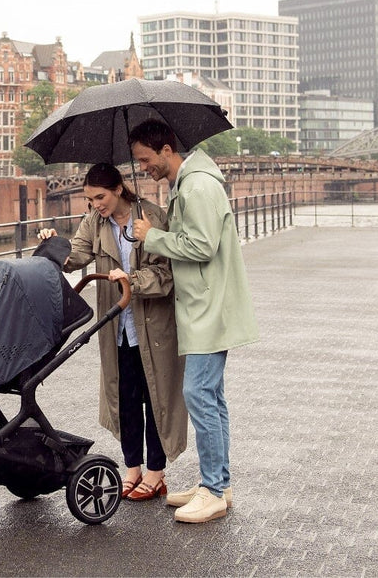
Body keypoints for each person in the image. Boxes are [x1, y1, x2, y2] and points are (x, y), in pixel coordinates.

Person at [129, 119, 258, 524]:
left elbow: (202, 246)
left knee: (199, 395)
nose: (144, 166)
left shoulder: (198, 186)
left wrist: (152, 237)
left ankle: (214, 490)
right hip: (206, 306)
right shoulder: (188, 184)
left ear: (167, 150)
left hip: (208, 308)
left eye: (145, 159)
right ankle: (217, 481)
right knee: (211, 398)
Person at [37, 162, 187, 503]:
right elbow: (76, 256)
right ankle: (132, 468)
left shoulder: (151, 218)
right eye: (90, 199)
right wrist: (52, 245)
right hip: (117, 325)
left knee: (157, 400)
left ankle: (156, 472)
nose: (95, 205)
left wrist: (131, 281)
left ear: (119, 189)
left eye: (100, 197)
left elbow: (166, 275)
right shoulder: (94, 222)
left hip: (153, 327)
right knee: (126, 400)